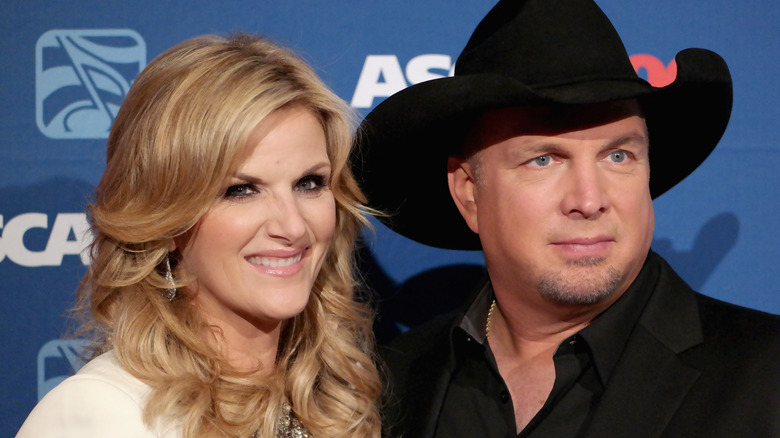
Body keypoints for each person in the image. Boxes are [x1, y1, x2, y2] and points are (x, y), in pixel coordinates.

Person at [353, 0, 780, 437]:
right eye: (544, 159)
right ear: (469, 193)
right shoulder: (386, 386)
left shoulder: (768, 375)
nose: (589, 201)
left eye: (618, 155)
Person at [18, 34, 381, 437]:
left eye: (309, 183)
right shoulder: (102, 412)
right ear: (165, 215)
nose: (293, 226)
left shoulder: (327, 400)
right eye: (241, 190)